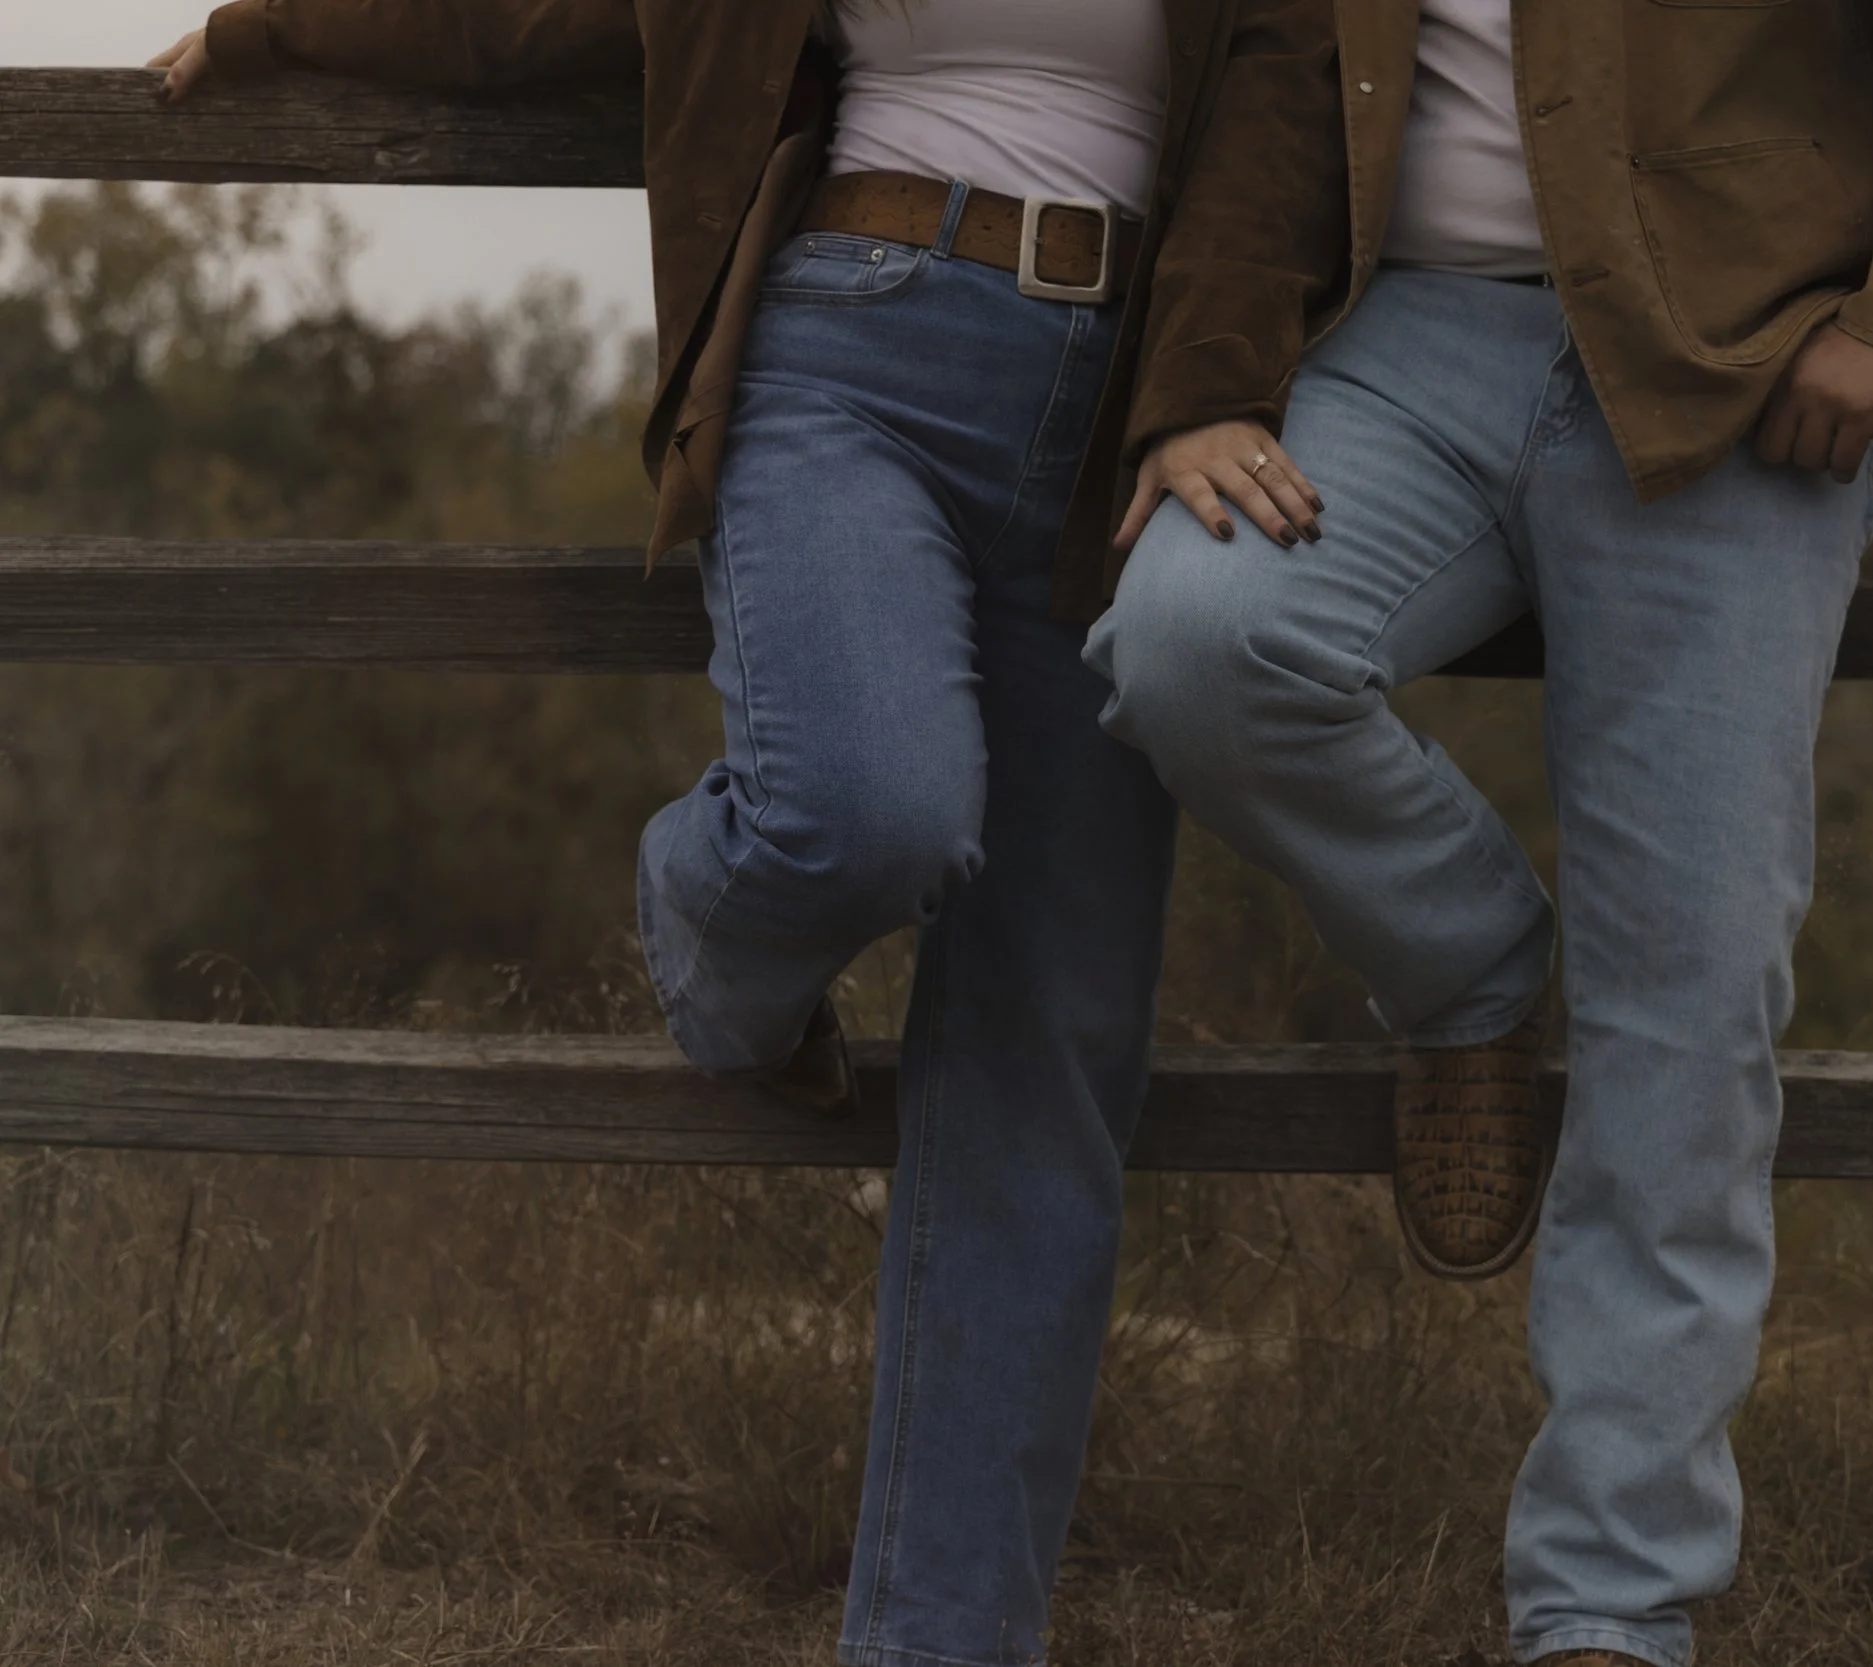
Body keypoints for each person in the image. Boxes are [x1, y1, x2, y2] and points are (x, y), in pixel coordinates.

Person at [154, 2, 1340, 1661]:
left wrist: (1205, 382)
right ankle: (706, 944)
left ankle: (939, 1638)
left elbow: (1294, 91)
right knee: (867, 810)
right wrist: (282, 22)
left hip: (1126, 423)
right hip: (851, 355)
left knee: (1047, 1064)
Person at [1085, 2, 1873, 1663]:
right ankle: (1473, 963)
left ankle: (1609, 1604)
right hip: (1398, 346)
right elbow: (1268, 63)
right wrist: (1197, 380)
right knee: (1199, 645)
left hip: (1735, 354)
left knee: (1691, 986)